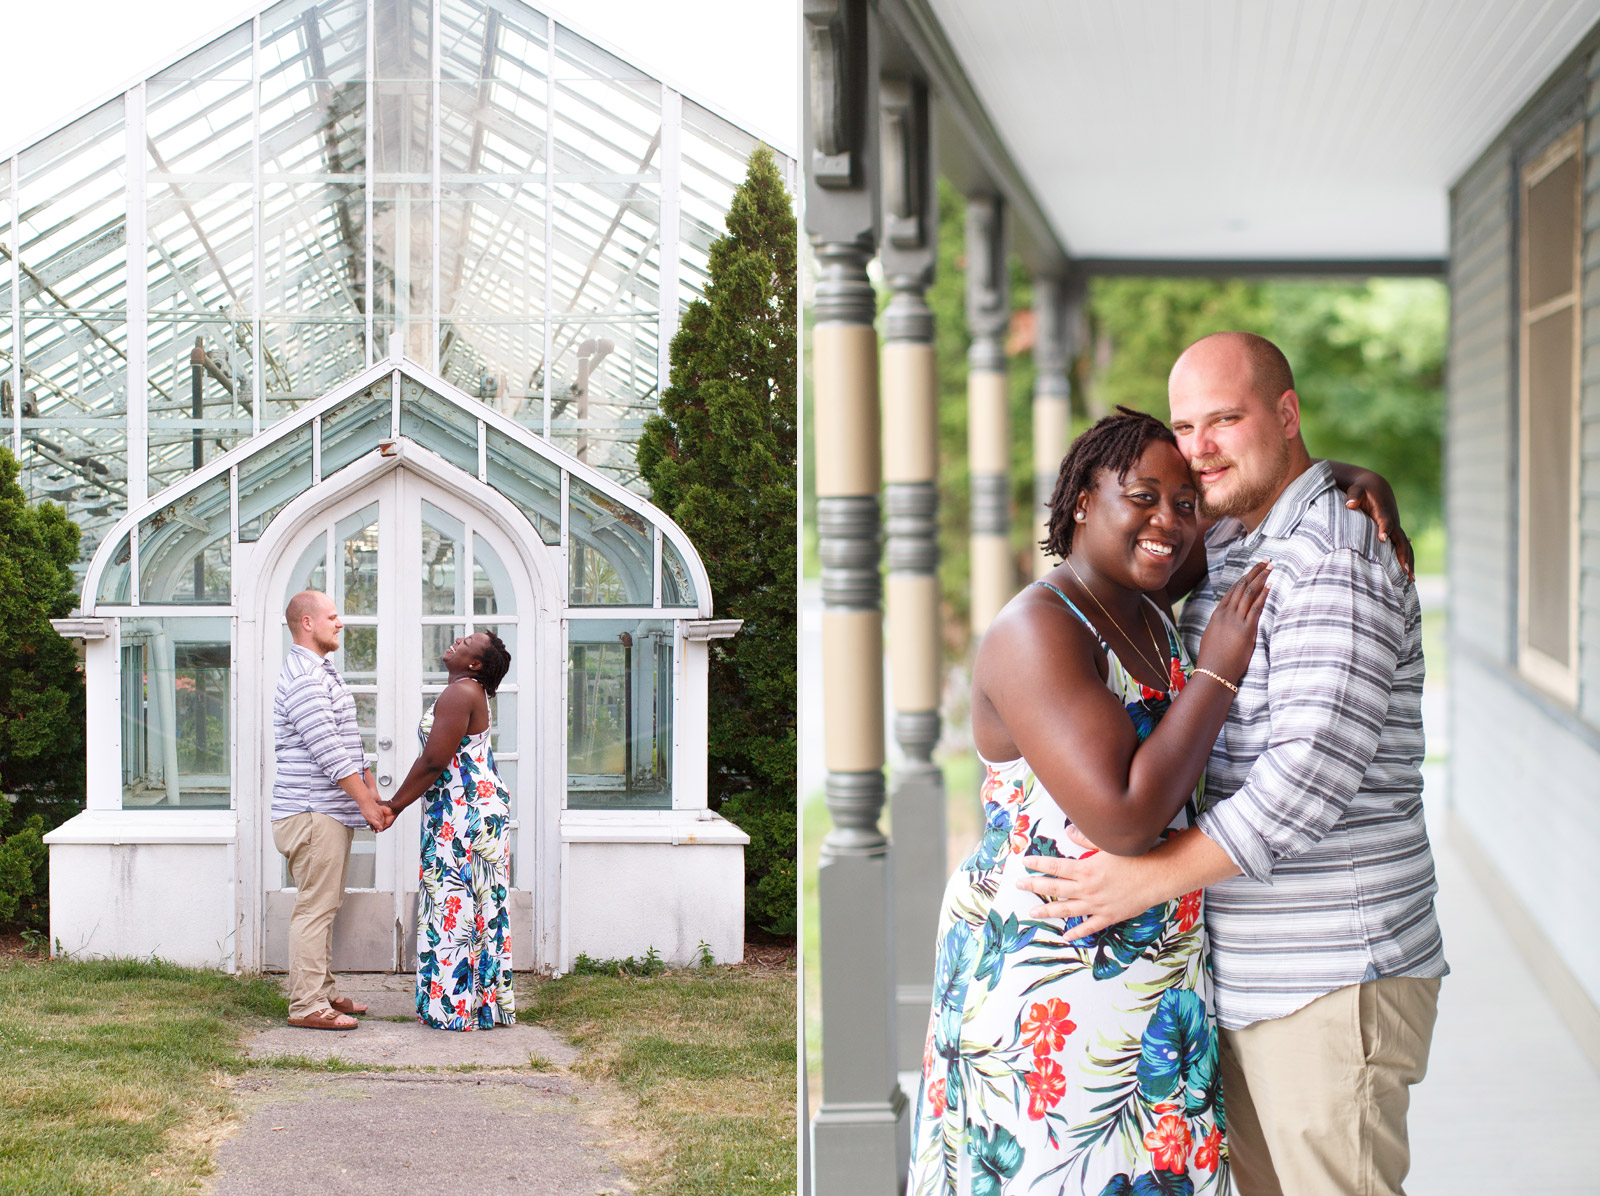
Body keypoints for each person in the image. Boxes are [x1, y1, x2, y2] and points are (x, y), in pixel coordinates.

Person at [1021, 332, 1447, 1196]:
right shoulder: (1228, 546)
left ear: (1286, 416)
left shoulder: (1337, 558)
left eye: (1226, 418)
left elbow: (1308, 777)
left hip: (1332, 973)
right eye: (1185, 425)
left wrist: (1142, 882)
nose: (1200, 445)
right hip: (1245, 979)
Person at [907, 408, 1271, 1196]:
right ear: (1081, 500)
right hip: (1050, 978)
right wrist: (1216, 674)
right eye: (1143, 496)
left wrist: (1342, 479)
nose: (1167, 523)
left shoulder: (1142, 597)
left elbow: (1264, 507)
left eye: (1185, 505)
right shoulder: (1037, 631)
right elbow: (1125, 818)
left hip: (1154, 979)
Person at [271, 589, 393, 1032]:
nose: (340, 623)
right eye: (333, 616)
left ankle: (320, 991)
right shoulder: (305, 678)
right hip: (309, 812)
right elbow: (327, 750)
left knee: (324, 904)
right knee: (315, 908)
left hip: (325, 811)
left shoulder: (321, 672)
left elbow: (346, 742)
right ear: (307, 623)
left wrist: (368, 798)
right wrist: (367, 803)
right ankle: (306, 1006)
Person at [381, 630, 516, 1031]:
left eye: (469, 641)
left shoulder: (460, 694)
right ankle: (478, 1006)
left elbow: (434, 761)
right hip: (468, 808)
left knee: (453, 905)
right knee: (474, 906)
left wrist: (393, 806)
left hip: (464, 813)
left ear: (475, 663)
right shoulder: (467, 690)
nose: (458, 639)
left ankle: (455, 1009)